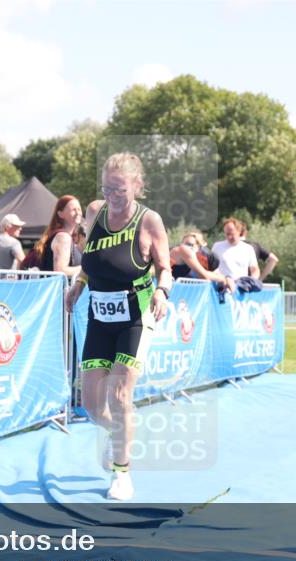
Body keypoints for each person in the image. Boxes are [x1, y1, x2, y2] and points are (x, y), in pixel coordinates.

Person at [65, 153, 171, 501]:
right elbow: (94, 262)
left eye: (120, 189)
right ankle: (119, 435)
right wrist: (78, 285)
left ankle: (122, 474)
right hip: (99, 317)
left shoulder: (149, 221)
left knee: (120, 395)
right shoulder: (95, 213)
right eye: (107, 188)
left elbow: (165, 267)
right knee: (94, 407)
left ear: (138, 186)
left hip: (136, 317)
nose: (112, 196)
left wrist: (162, 291)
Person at [38, 195, 84, 278]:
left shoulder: (67, 237)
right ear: (60, 214)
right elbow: (60, 271)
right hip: (60, 290)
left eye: (79, 209)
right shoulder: (63, 237)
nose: (78, 213)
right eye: (73, 210)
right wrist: (86, 268)